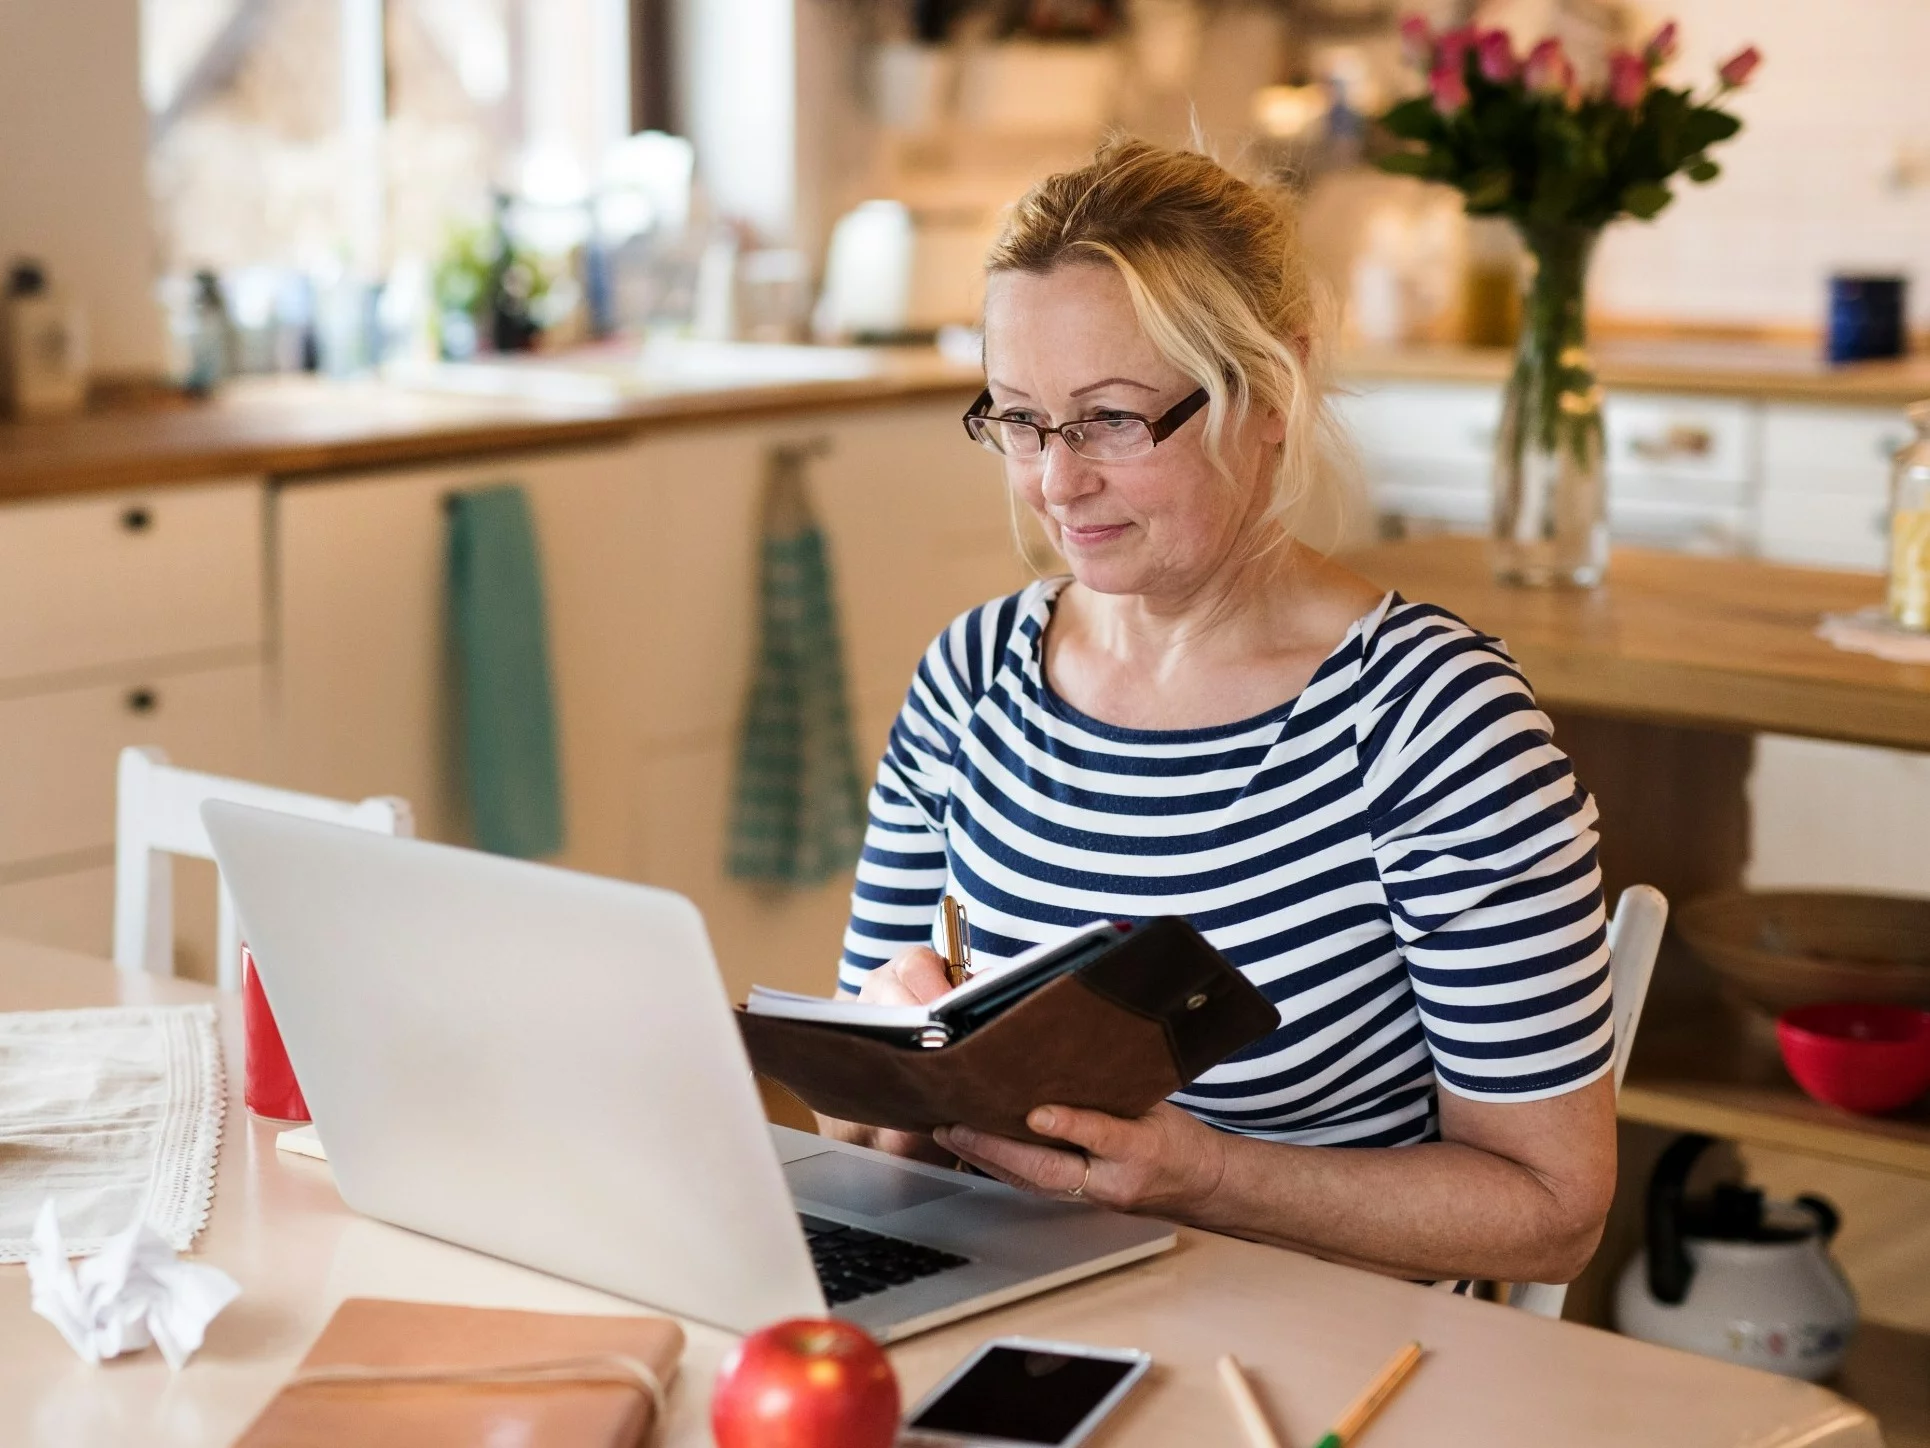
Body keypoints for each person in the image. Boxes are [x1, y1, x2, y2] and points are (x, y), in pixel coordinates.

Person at [820, 138, 1616, 1288]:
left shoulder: (1431, 723)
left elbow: (1550, 1211)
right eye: (1019, 417)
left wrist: (1207, 1175)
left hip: (1315, 1342)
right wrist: (887, 1062)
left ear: (1272, 391)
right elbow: (857, 1128)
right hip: (1005, 1297)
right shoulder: (971, 672)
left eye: (1110, 419)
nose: (1055, 479)